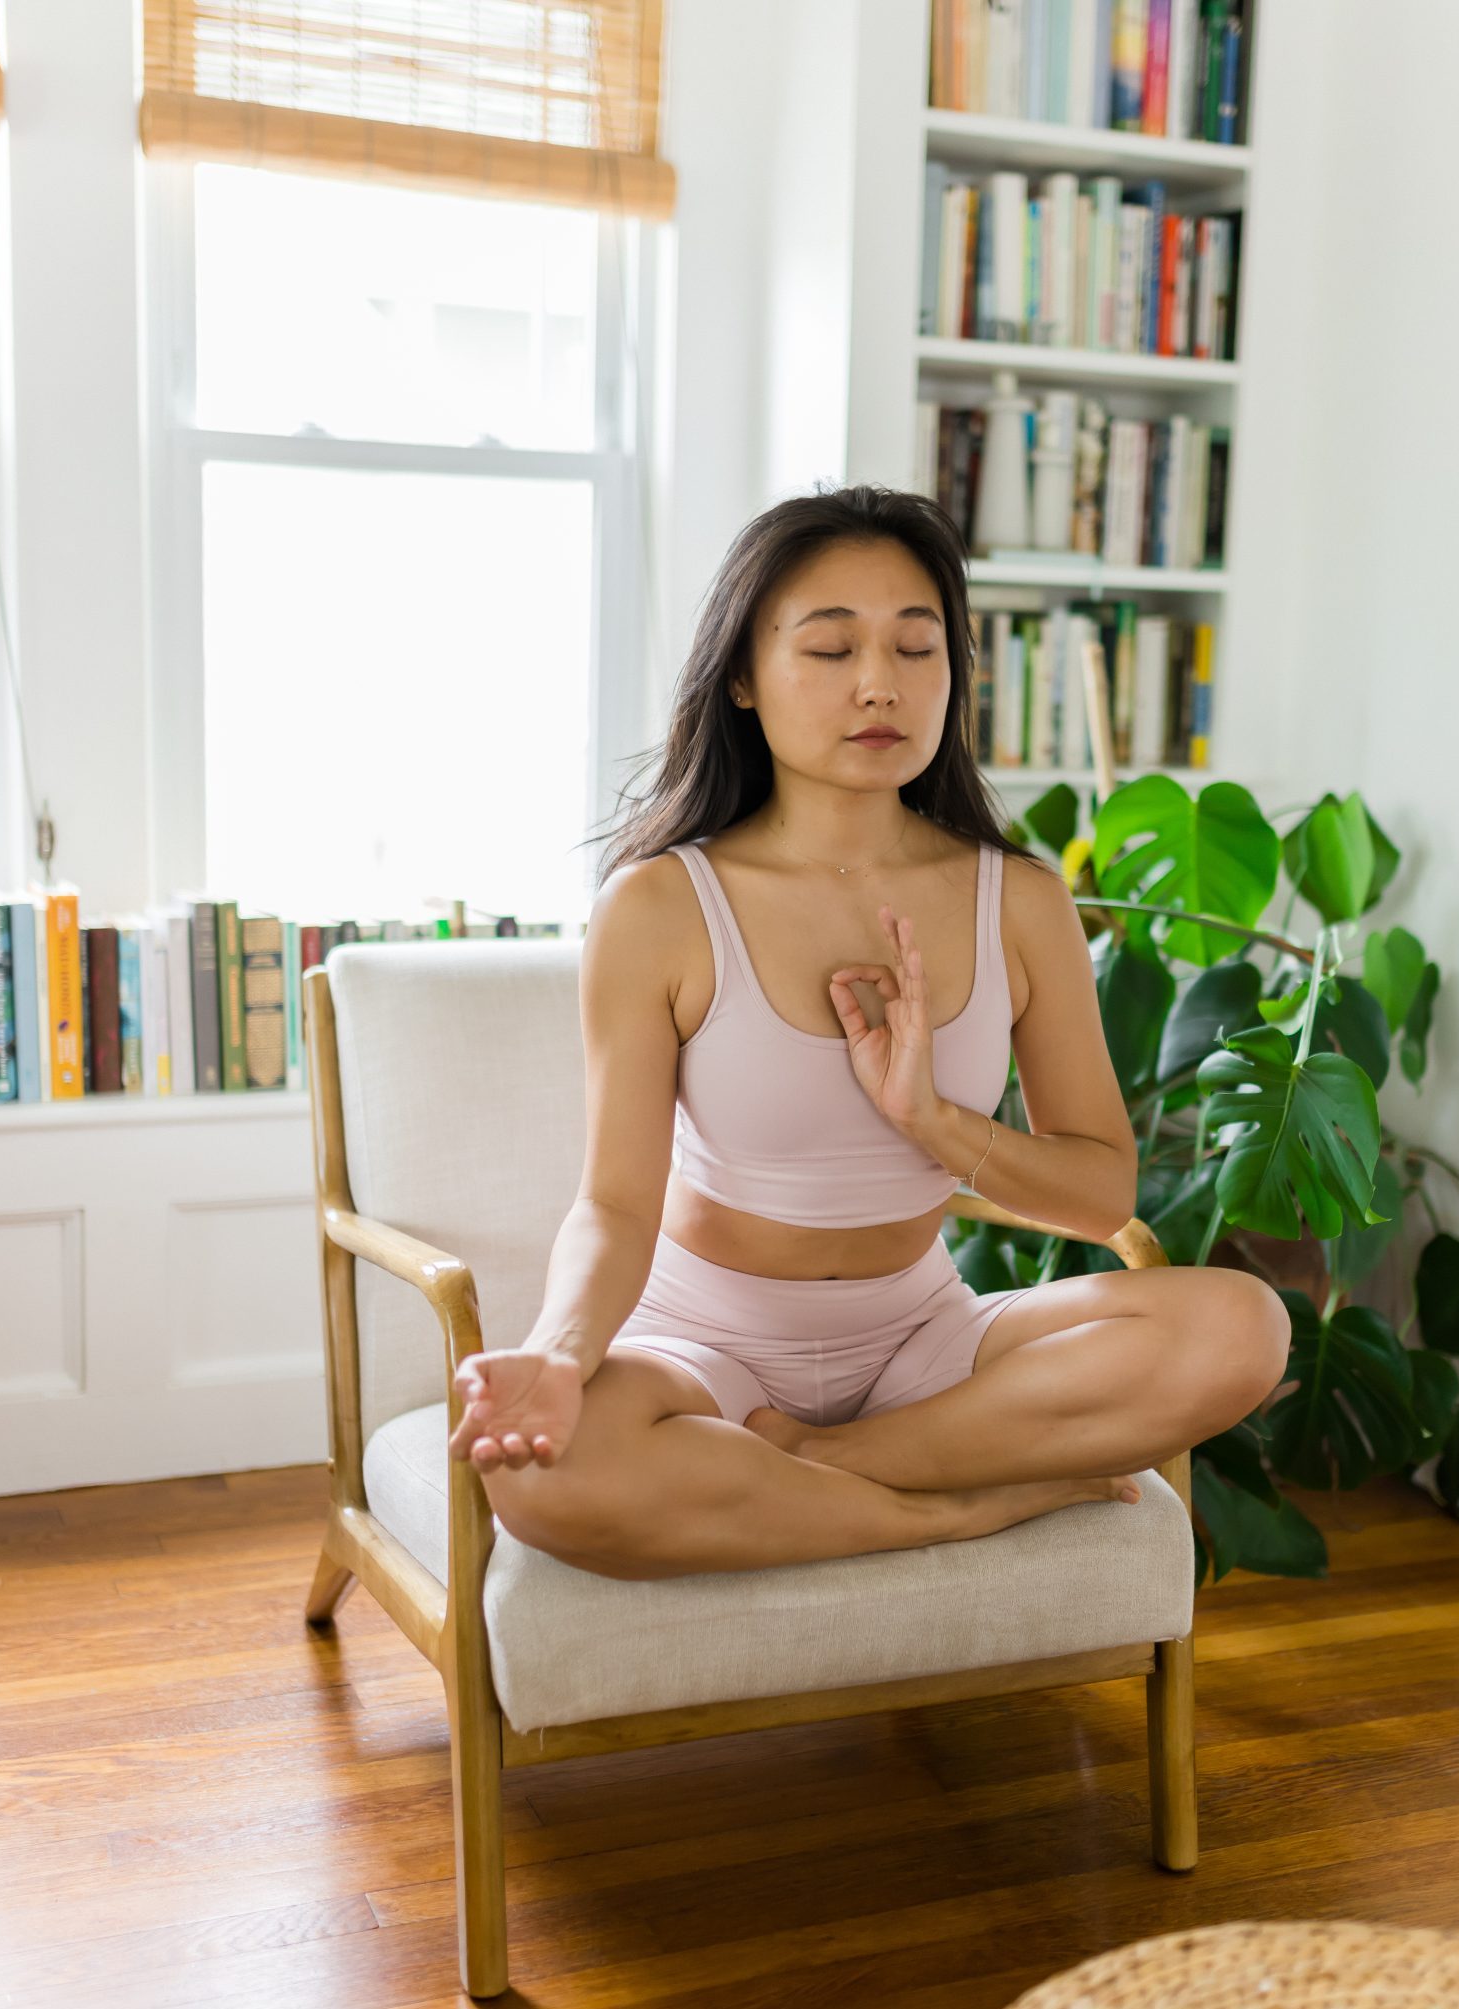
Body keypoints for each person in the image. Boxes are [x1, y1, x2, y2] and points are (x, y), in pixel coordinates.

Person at [447, 482, 1290, 1580]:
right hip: (703, 1341)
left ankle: (829, 1461)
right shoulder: (659, 907)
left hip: (922, 1334)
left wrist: (932, 1119)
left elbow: (1100, 1198)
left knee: (1241, 1327)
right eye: (831, 648)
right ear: (743, 676)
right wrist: (560, 1355)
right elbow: (614, 1203)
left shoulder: (1018, 900)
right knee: (540, 1477)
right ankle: (952, 1510)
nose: (881, 683)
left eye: (916, 646)